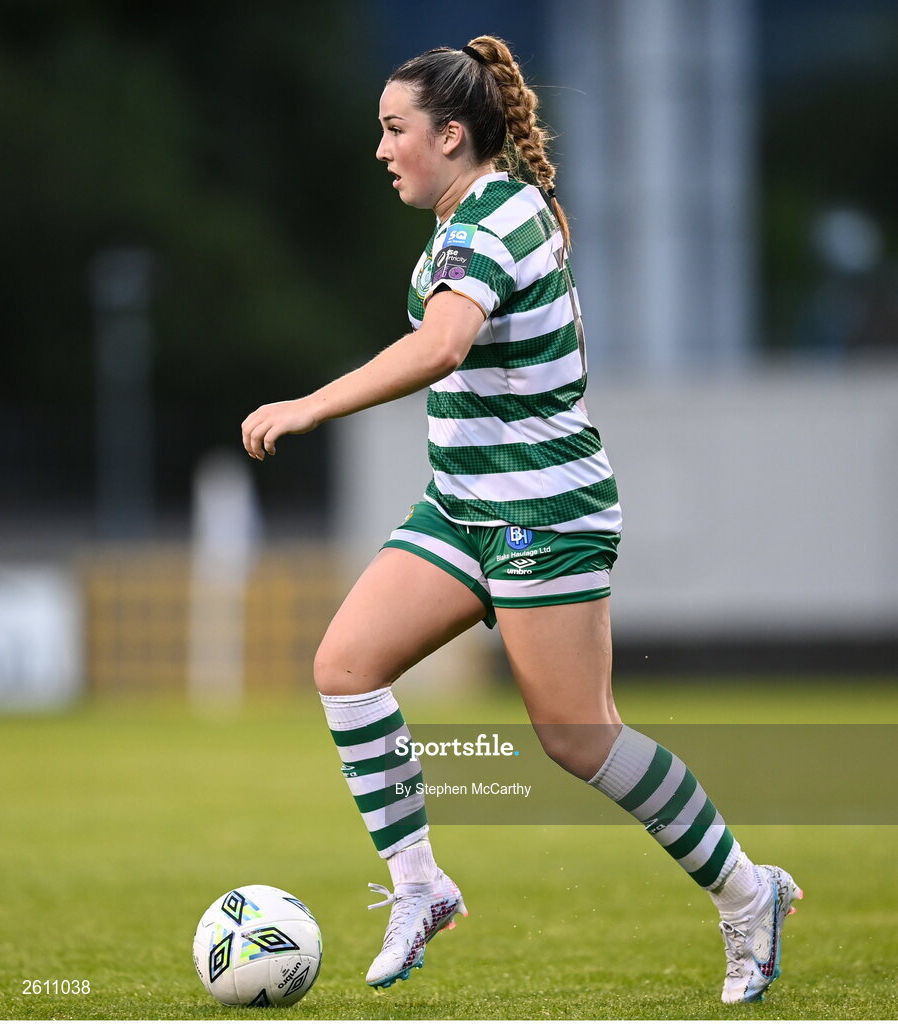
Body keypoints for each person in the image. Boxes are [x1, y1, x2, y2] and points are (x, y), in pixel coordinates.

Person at [241, 36, 802, 1005]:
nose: (380, 148)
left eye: (394, 129)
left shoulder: (484, 222)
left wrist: (309, 405)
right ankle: (419, 885)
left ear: (450, 134)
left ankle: (749, 893)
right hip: (464, 505)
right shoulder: (487, 207)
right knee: (343, 665)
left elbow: (443, 345)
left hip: (543, 510)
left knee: (579, 738)